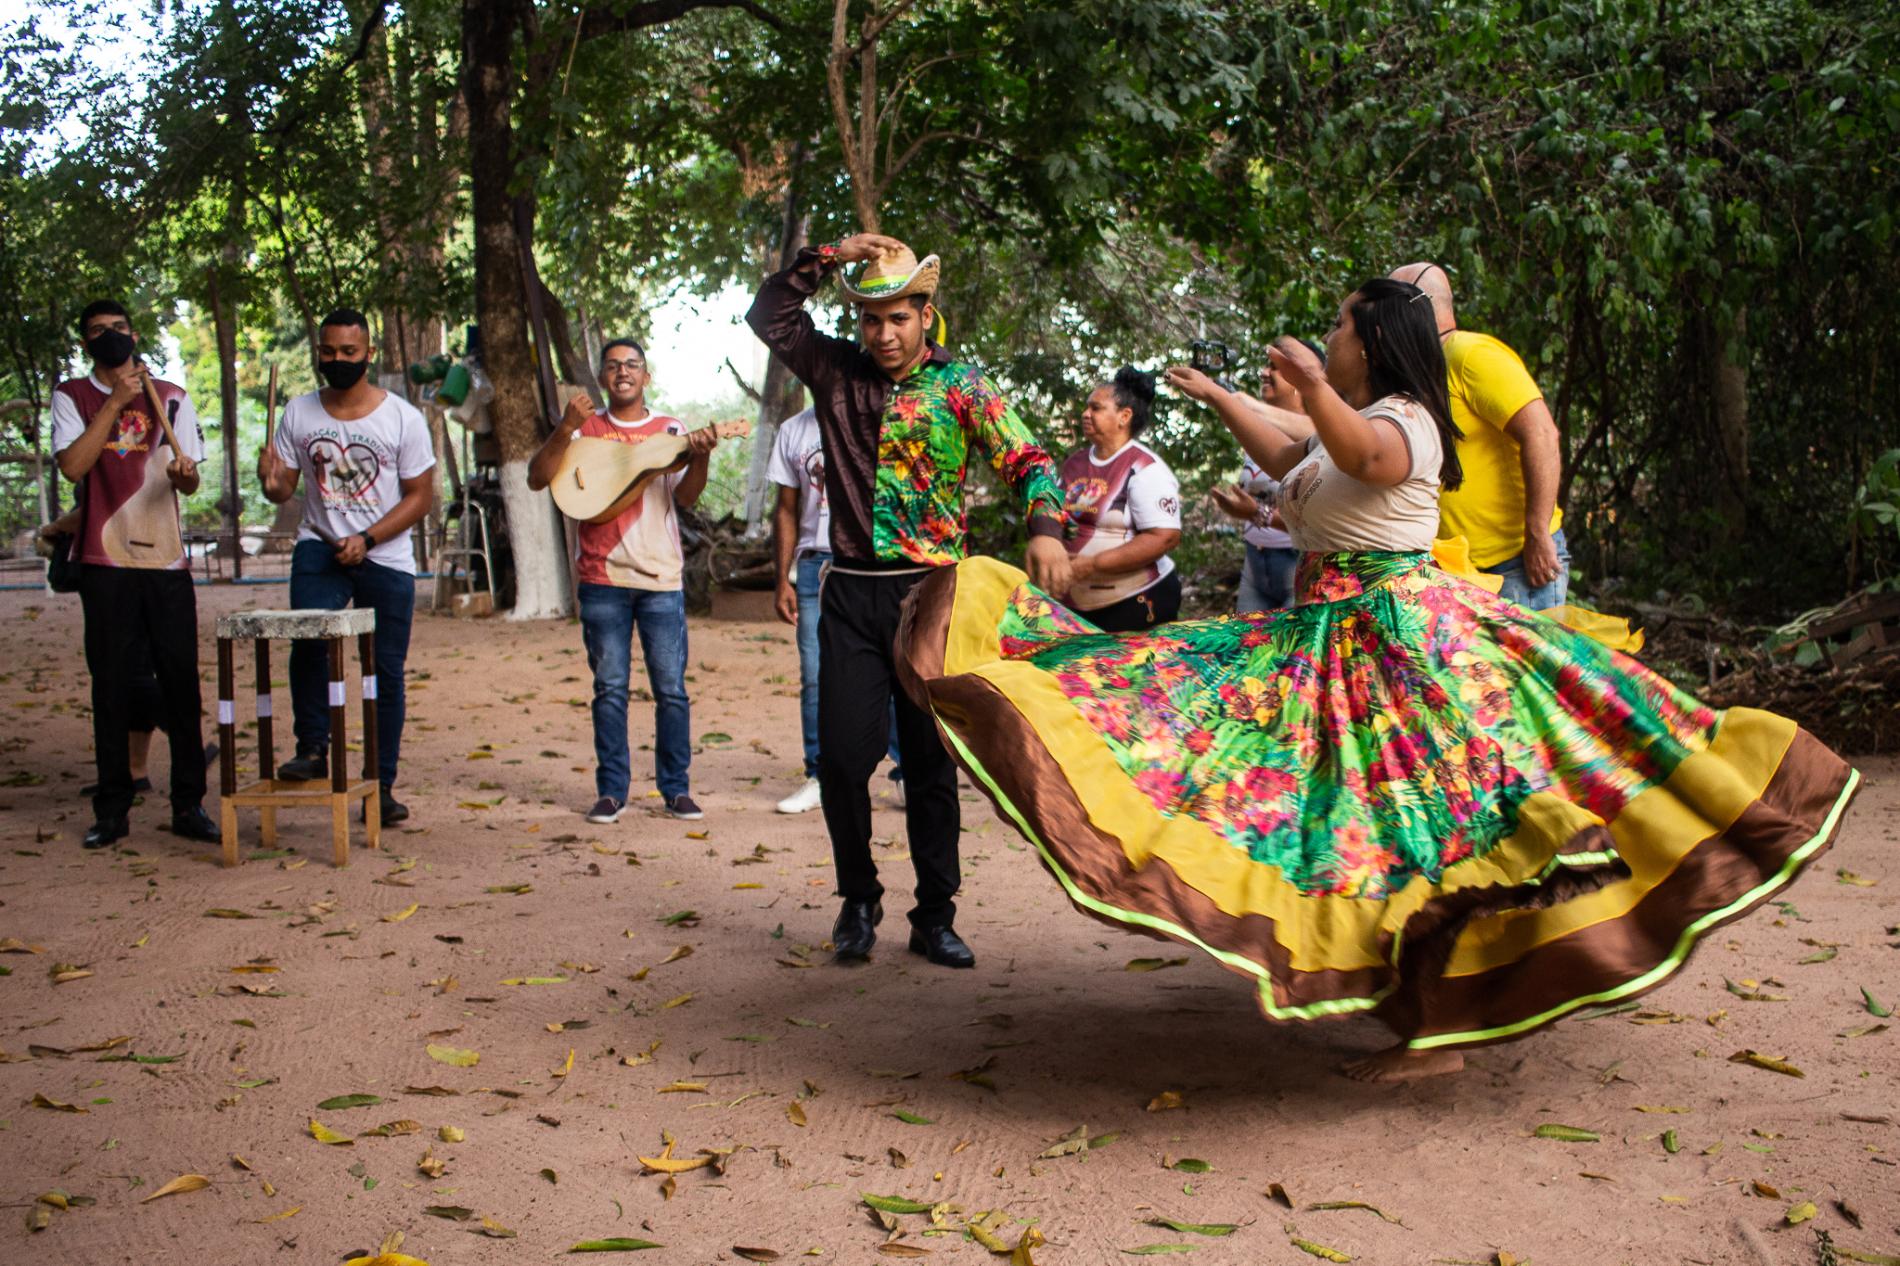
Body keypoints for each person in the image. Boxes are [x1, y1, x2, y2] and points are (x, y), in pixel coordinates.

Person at [897, 277, 1858, 1082]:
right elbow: (1294, 460)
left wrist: (1311, 388)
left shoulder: (1406, 421)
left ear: (1372, 345)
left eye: (1339, 329)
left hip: (1402, 643)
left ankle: (1436, 1027)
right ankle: (1425, 1010)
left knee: (1416, 826)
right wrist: (1224, 397)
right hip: (1328, 637)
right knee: (1352, 825)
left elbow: (1359, 454)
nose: (1327, 337)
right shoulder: (1344, 420)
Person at [747, 232, 1072, 970]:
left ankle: (935, 915)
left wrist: (1047, 528)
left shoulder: (962, 386)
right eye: (871, 320)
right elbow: (770, 315)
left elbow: (1026, 458)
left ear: (927, 315)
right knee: (841, 759)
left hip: (932, 599)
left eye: (899, 318)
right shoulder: (833, 372)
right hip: (852, 594)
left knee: (929, 765)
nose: (884, 334)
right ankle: (858, 901)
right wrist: (828, 254)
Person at [51, 300, 220, 850]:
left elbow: (189, 481)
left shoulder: (170, 396)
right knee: (111, 686)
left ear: (134, 332)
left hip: (165, 561)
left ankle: (189, 804)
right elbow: (74, 465)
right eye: (96, 332)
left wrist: (184, 473)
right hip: (104, 560)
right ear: (85, 343)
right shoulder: (71, 397)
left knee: (179, 679)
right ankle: (113, 808)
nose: (109, 337)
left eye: (117, 329)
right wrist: (116, 401)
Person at [528, 339, 717, 824]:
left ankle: (676, 789)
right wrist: (566, 426)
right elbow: (536, 478)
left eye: (632, 364)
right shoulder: (584, 430)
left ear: (646, 376)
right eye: (612, 366)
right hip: (600, 578)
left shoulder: (670, 429)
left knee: (671, 690)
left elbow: (687, 499)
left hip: (661, 579)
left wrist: (701, 456)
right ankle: (612, 791)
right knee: (609, 689)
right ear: (603, 377)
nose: (623, 372)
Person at [260, 308, 435, 827]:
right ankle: (312, 748)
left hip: (386, 553)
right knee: (309, 636)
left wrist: (369, 537)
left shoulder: (402, 417)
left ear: (369, 354)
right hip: (320, 544)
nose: (337, 361)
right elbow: (284, 488)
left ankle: (380, 785)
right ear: (319, 352)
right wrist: (270, 481)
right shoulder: (298, 412)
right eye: (328, 352)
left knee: (383, 672)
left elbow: (420, 496)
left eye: (348, 353)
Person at [1391, 262, 1568, 608]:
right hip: (1456, 569)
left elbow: (1543, 434)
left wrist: (1537, 532)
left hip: (1515, 564)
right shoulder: (1419, 371)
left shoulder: (1471, 355)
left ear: (1419, 304)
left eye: (1394, 303)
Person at [767, 405, 903, 815]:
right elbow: (787, 509)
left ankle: (906, 774)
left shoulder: (884, 419)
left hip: (876, 564)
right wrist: (782, 577)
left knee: (896, 671)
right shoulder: (794, 430)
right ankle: (821, 775)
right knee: (816, 676)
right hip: (815, 566)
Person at [1169, 344, 1323, 612]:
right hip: (1255, 562)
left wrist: (1256, 512)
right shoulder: (1258, 428)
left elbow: (1318, 522)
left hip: (1295, 561)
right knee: (1250, 648)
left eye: (1276, 367)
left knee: (1286, 651)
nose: (1264, 372)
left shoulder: (1319, 435)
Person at [1058, 367, 1183, 631]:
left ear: (1124, 416)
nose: (1085, 414)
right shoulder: (1074, 464)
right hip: (1077, 605)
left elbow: (1165, 537)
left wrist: (1093, 564)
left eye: (1096, 408)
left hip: (1134, 601)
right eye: (1086, 407)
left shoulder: (1144, 468)